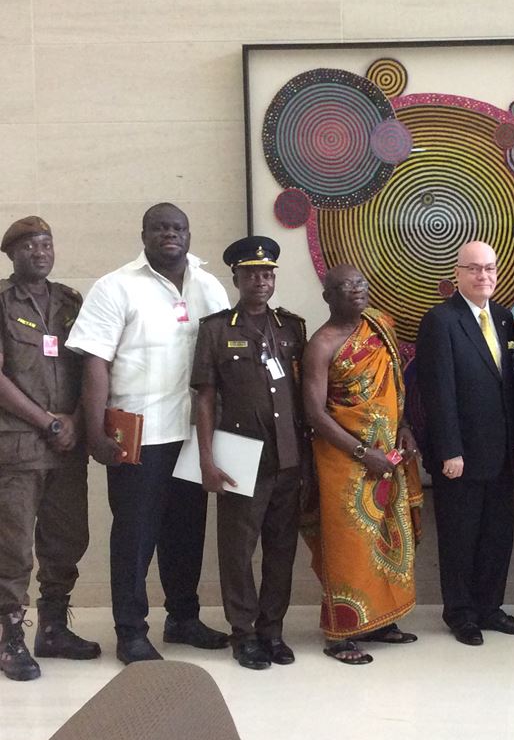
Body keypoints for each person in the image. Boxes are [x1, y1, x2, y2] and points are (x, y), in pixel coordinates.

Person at [65, 203, 230, 664]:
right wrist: (97, 429)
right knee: (135, 535)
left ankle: (183, 618)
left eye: (177, 228)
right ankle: (131, 632)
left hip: (193, 432)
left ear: (189, 234)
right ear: (144, 235)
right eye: (159, 228)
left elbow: (226, 357)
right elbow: (95, 359)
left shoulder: (208, 285)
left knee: (187, 530)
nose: (169, 235)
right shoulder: (116, 286)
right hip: (137, 434)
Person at [192, 236, 305, 670]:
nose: (261, 280)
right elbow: (204, 398)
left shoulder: (290, 327)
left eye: (268, 273)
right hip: (240, 457)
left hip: (289, 457)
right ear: (236, 278)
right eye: (252, 273)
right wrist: (206, 459)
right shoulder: (217, 328)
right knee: (237, 551)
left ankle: (272, 630)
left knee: (281, 550)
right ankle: (244, 633)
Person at [301, 264, 421, 665]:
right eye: (344, 286)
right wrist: (360, 452)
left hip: (388, 456)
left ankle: (381, 622)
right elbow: (315, 414)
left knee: (387, 541)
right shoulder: (321, 344)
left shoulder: (380, 324)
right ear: (327, 296)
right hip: (344, 462)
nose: (355, 291)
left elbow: (396, 385)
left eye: (360, 284)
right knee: (348, 547)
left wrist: (404, 426)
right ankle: (341, 633)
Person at [0, 217, 100, 682]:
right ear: (12, 254)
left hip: (68, 444)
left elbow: (90, 366)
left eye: (46, 243)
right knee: (13, 545)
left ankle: (54, 628)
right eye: (29, 246)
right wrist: (47, 421)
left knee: (67, 537)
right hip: (19, 445)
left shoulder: (69, 303)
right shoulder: (2, 303)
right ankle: (11, 638)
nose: (40, 252)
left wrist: (77, 419)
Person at [416, 241, 514, 646]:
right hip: (459, 454)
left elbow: (510, 388)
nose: (483, 276)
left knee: (497, 535)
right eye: (474, 269)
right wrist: (449, 449)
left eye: (489, 269)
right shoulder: (440, 320)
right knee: (460, 536)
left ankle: (490, 607)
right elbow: (438, 391)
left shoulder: (503, 318)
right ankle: (461, 613)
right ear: (458, 274)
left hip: (499, 453)